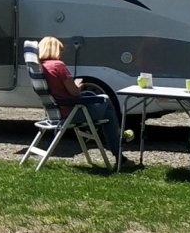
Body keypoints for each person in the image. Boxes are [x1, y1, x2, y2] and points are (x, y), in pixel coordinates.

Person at [36, 35, 125, 166]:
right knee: (107, 105)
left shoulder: (41, 67)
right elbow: (75, 93)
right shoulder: (58, 66)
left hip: (55, 112)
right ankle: (119, 153)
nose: (61, 54)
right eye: (60, 51)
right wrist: (78, 85)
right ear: (54, 50)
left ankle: (119, 151)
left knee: (91, 95)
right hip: (71, 112)